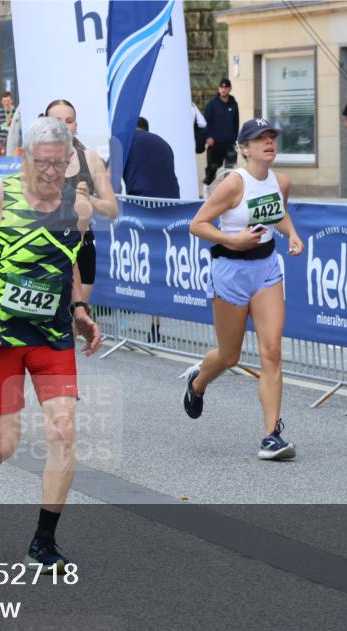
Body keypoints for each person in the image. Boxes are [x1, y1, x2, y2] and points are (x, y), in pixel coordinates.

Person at [0, 116, 100, 572]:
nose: (52, 172)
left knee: (63, 431)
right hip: (1, 335)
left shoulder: (78, 208)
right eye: (43, 163)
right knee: (5, 443)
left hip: (51, 337)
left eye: (60, 164)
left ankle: (43, 542)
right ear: (25, 158)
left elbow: (68, 264)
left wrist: (78, 310)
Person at [183, 118, 304, 461]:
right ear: (244, 148)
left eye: (271, 137)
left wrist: (291, 234)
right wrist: (231, 239)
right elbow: (197, 224)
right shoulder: (234, 185)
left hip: (267, 270)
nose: (268, 143)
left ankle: (271, 436)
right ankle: (197, 382)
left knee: (272, 351)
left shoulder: (281, 182)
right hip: (231, 272)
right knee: (229, 355)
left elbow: (278, 213)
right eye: (259, 138)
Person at [45, 99, 119, 306]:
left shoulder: (90, 158)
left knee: (75, 321)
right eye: (56, 120)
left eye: (68, 121)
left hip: (81, 247)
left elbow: (112, 210)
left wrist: (89, 198)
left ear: (75, 126)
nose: (63, 126)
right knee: (48, 324)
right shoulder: (34, 161)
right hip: (46, 246)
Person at [125, 117, 180, 346]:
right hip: (169, 208)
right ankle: (155, 327)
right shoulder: (162, 142)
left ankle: (131, 308)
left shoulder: (126, 142)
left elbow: (110, 179)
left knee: (140, 263)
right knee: (160, 264)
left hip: (142, 208)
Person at [203, 78, 240, 198]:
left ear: (230, 89)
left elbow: (236, 123)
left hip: (230, 143)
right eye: (221, 87)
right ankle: (206, 187)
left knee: (230, 170)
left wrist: (235, 138)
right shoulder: (211, 104)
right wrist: (208, 137)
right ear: (219, 89)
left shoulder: (233, 104)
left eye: (226, 87)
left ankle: (227, 194)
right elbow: (205, 123)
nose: (223, 89)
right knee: (212, 168)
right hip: (215, 143)